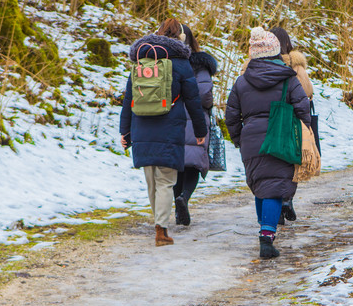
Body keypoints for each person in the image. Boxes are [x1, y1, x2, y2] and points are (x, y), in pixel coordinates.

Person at [120, 18, 206, 246]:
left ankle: (159, 223)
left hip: (141, 129)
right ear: (180, 38)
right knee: (166, 182)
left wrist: (125, 132)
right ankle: (161, 229)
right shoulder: (181, 62)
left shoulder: (141, 60)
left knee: (151, 182)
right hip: (170, 129)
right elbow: (193, 100)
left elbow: (129, 98)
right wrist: (200, 130)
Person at [226, 27, 311, 259]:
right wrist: (303, 133)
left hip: (251, 140)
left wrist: (238, 139)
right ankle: (267, 236)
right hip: (281, 137)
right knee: (274, 188)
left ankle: (264, 228)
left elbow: (231, 115)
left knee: (261, 187)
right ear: (275, 52)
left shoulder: (242, 82)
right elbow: (303, 109)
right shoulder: (288, 79)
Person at [173, 24, 218, 226]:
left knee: (176, 164)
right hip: (196, 118)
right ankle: (185, 197)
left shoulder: (167, 62)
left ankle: (177, 204)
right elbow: (204, 94)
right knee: (194, 162)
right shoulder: (200, 65)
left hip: (172, 117)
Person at [270, 27, 314, 224]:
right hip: (293, 121)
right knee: (291, 164)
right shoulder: (297, 66)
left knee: (272, 165)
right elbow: (307, 92)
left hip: (270, 120)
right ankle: (287, 199)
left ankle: (276, 207)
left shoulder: (261, 64)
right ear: (288, 43)